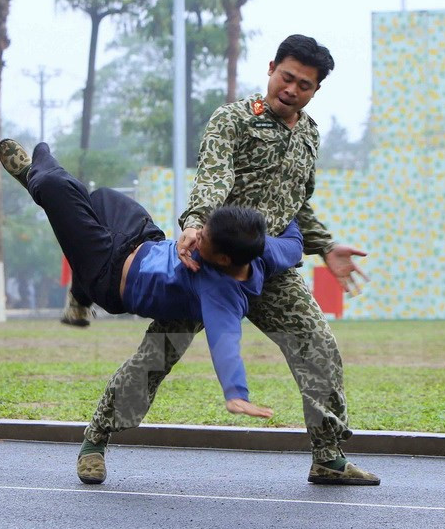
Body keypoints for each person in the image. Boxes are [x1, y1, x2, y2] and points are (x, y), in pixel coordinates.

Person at [79, 34, 380, 486]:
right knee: (158, 354)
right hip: (213, 263)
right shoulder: (235, 120)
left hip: (271, 268)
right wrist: (196, 225)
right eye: (287, 77)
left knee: (318, 345)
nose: (292, 89)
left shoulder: (310, 134)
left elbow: (295, 203)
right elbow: (213, 179)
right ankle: (96, 439)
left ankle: (328, 457)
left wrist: (324, 244)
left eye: (304, 84)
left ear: (316, 90)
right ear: (271, 68)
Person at [0, 137, 304, 427]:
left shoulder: (220, 292)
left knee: (56, 187)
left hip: (106, 273)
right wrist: (286, 209)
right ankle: (78, 295)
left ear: (224, 259)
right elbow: (293, 244)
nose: (196, 235)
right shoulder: (264, 248)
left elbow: (225, 341)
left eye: (204, 238)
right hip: (142, 239)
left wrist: (236, 394)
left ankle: (33, 176)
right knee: (102, 198)